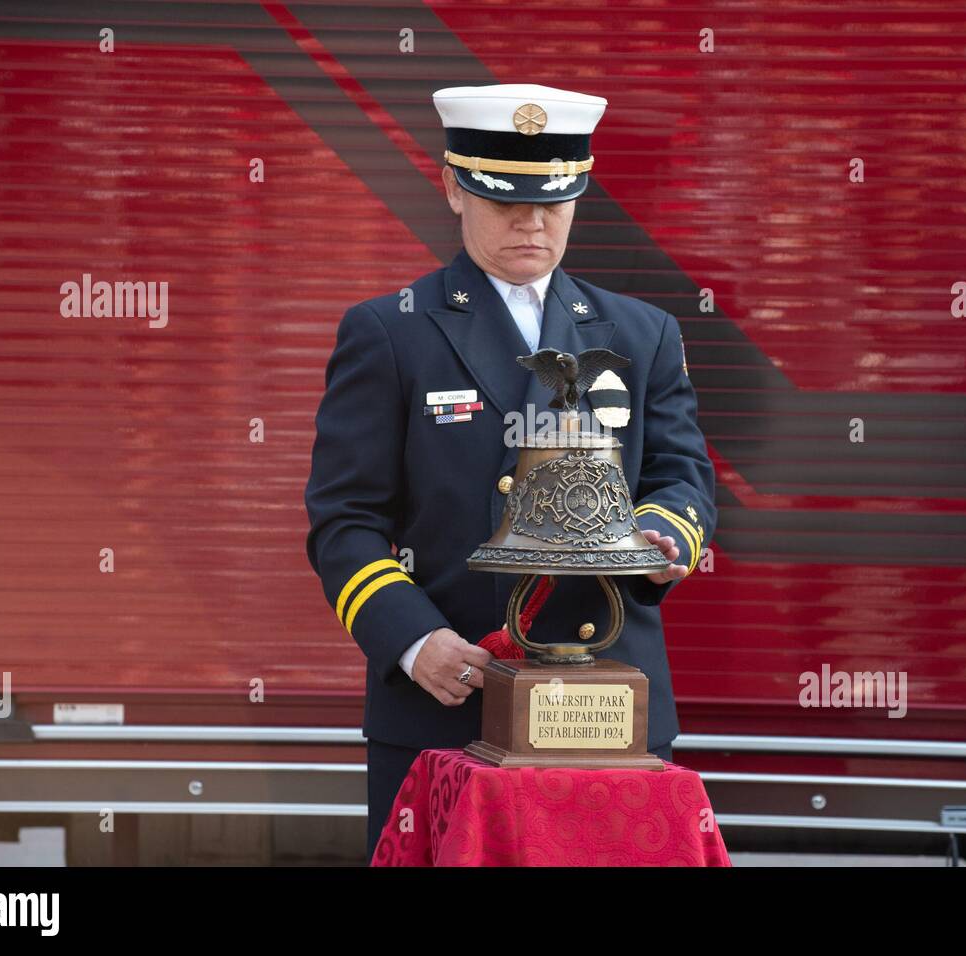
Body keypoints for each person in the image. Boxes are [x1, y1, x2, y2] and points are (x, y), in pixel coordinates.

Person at [304, 83, 716, 864]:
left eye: (552, 202)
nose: (531, 222)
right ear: (454, 188)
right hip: (446, 707)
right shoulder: (391, 331)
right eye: (505, 200)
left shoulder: (642, 332)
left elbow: (682, 476)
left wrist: (664, 533)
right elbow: (345, 521)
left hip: (611, 706)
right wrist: (414, 639)